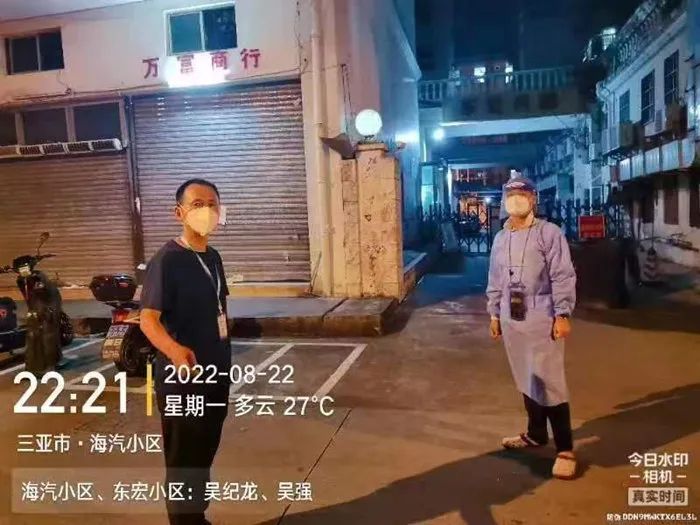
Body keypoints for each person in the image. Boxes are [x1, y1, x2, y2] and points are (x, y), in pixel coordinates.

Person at [140, 179, 231, 525]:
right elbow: (148, 320)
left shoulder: (213, 257)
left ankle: (196, 516)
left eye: (212, 204)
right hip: (183, 381)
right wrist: (175, 351)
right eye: (197, 204)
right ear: (179, 212)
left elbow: (218, 308)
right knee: (184, 458)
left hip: (215, 375)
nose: (206, 211)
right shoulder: (167, 260)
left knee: (204, 450)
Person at [486, 176, 578, 480]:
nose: (516, 199)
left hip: (541, 316)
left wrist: (562, 313)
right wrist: (494, 314)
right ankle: (536, 433)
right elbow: (495, 279)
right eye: (511, 194)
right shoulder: (501, 238)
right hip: (511, 317)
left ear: (533, 198)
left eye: (522, 193)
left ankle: (565, 449)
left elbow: (562, 275)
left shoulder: (548, 233)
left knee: (550, 380)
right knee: (525, 376)